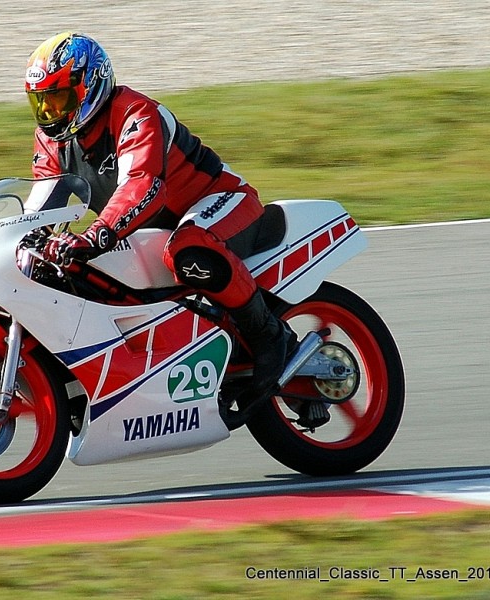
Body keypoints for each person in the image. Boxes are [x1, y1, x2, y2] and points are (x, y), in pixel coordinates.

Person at [24, 31, 296, 399]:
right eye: (42, 104)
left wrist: (95, 234)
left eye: (59, 100)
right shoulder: (51, 140)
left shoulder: (135, 113)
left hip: (219, 201)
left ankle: (271, 337)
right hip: (148, 231)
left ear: (90, 86)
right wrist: (27, 239)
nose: (51, 114)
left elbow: (143, 187)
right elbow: (45, 200)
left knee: (189, 251)